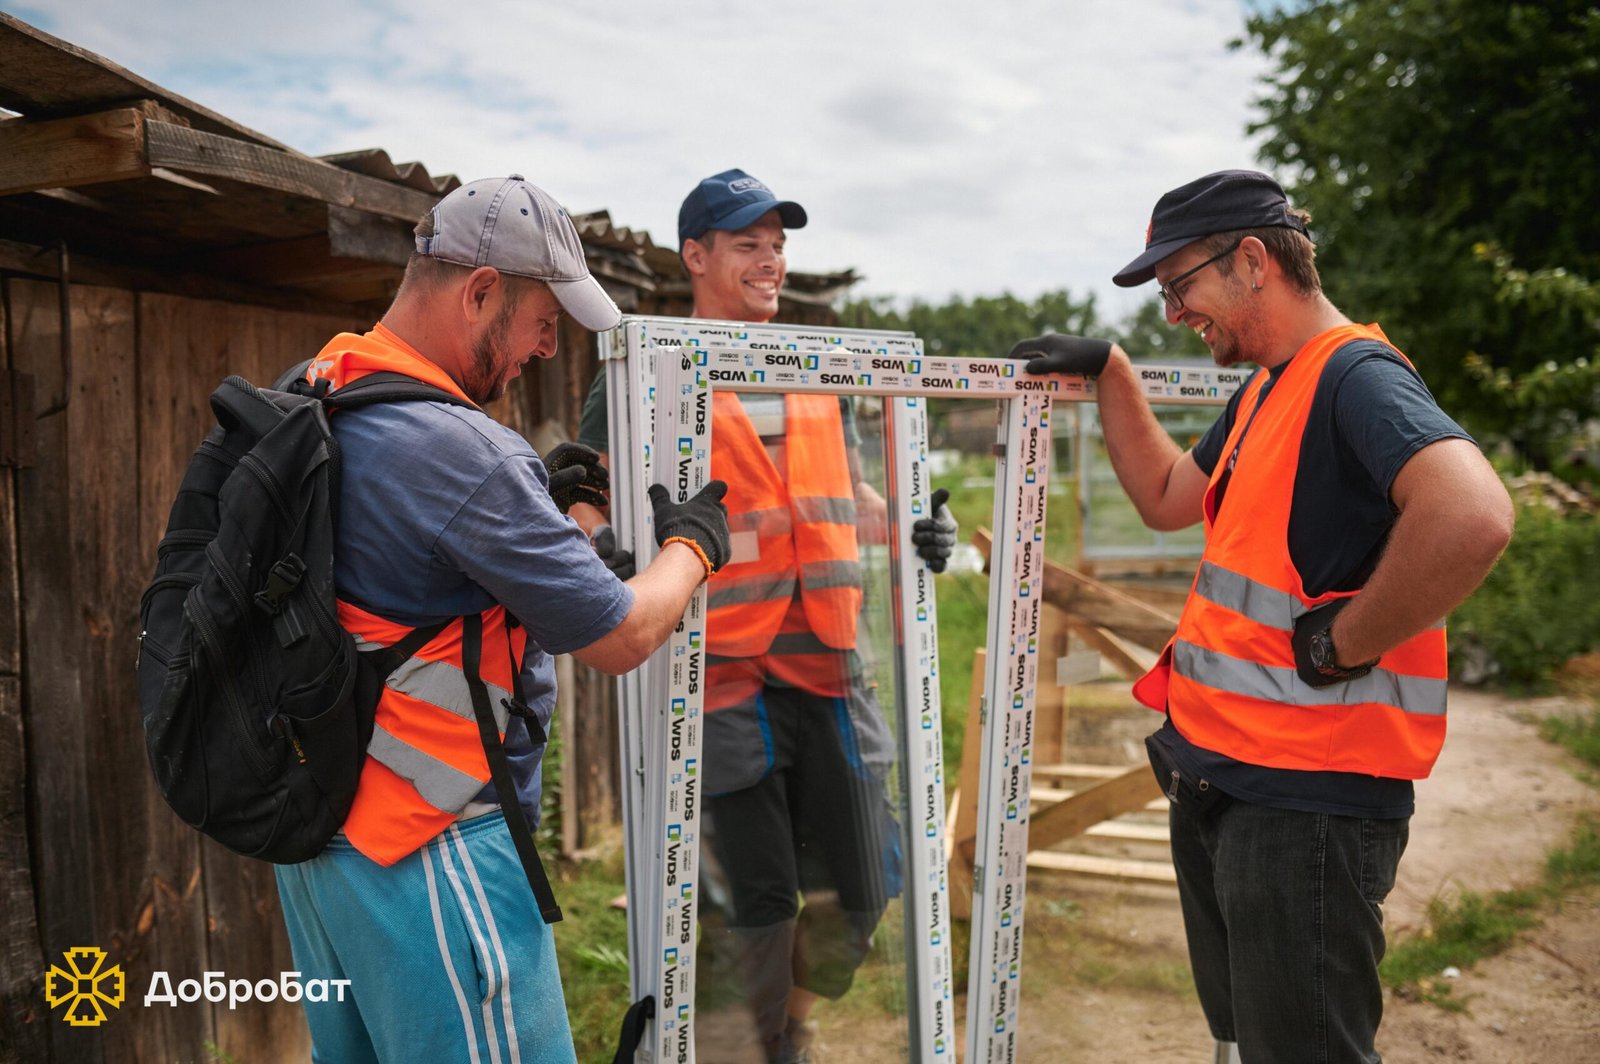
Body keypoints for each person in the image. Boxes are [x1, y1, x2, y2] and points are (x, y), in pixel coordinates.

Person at [1009, 170, 1514, 1064]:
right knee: (1256, 1042)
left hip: (1305, 803)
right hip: (1232, 779)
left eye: (1180, 286)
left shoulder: (1353, 376)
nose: (1174, 314)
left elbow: (1473, 516)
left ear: (1252, 260)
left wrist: (1344, 642)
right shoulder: (1270, 389)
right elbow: (1169, 495)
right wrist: (1112, 371)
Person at [270, 174, 732, 1064]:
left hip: (323, 839)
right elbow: (623, 636)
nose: (548, 348)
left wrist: (539, 518)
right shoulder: (463, 451)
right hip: (431, 849)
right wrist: (693, 547)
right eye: (543, 321)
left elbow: (403, 573)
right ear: (480, 291)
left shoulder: (319, 386)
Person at [571, 169, 957, 1064]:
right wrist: (600, 545)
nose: (771, 260)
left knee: (869, 883)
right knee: (760, 899)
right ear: (696, 257)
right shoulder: (651, 364)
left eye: (778, 245)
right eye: (749, 244)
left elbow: (853, 497)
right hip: (720, 676)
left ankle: (792, 1021)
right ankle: (757, 1045)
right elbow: (583, 491)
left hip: (832, 664)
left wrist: (914, 527)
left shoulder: (819, 368)